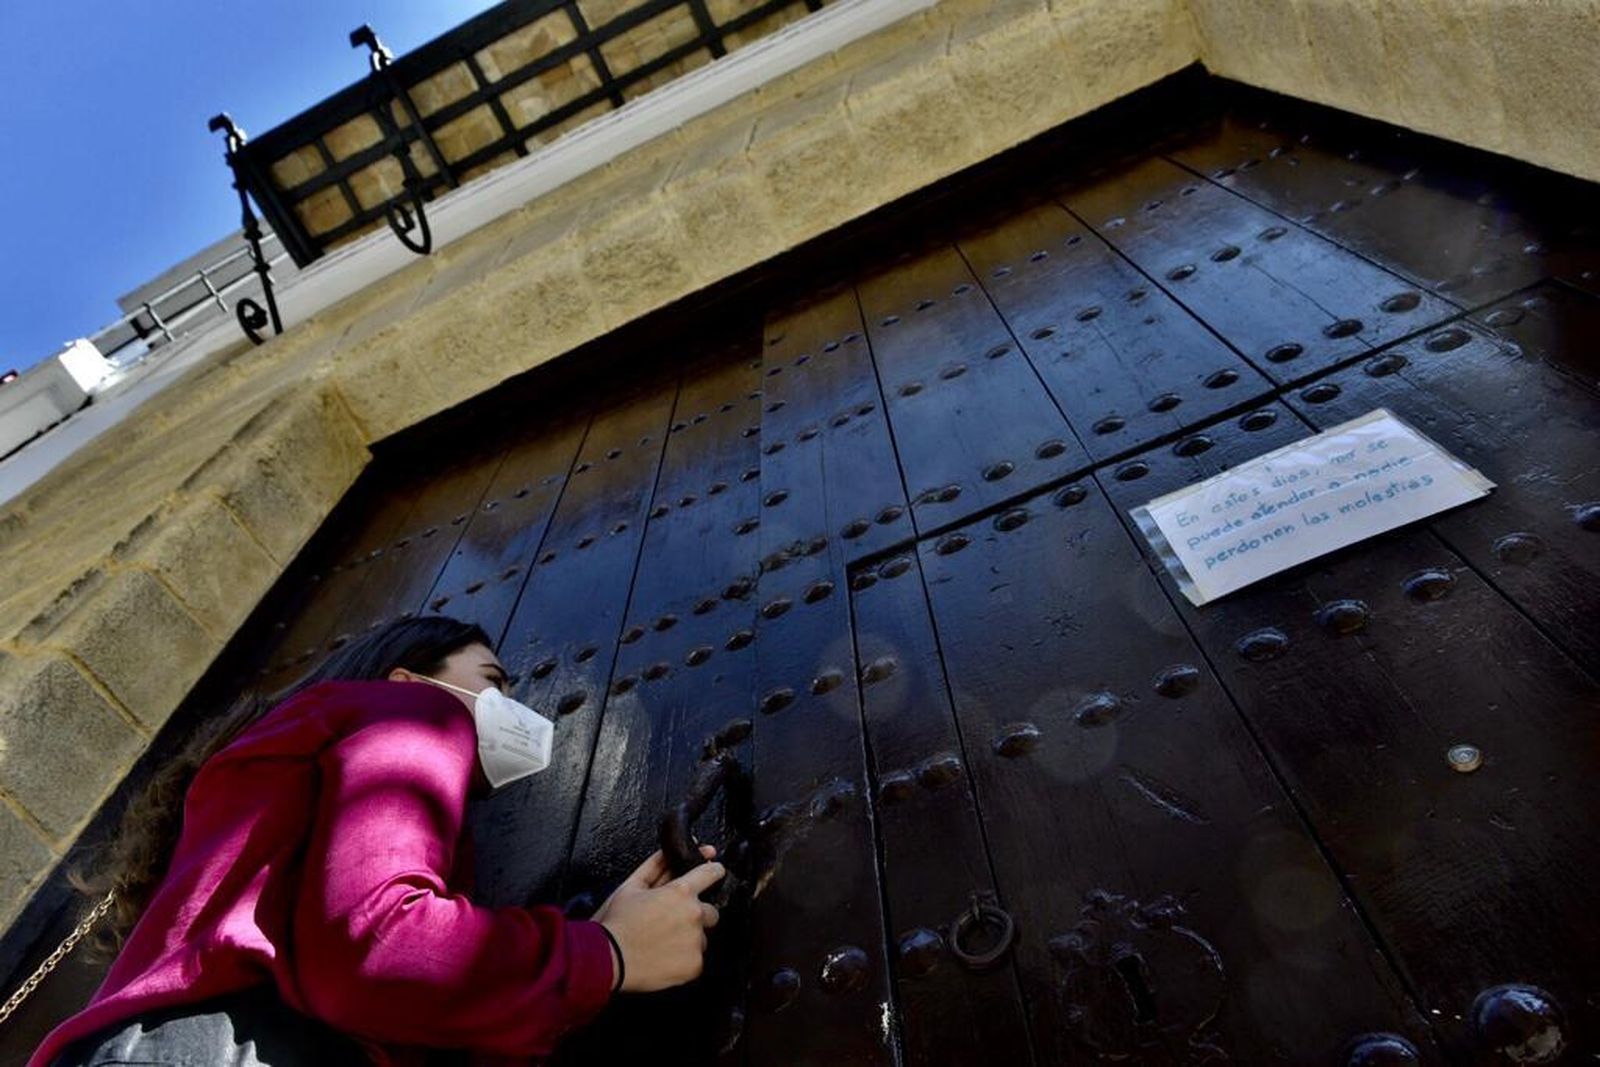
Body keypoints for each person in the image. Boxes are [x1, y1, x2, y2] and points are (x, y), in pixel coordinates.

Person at [27, 615, 725, 1066]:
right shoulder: (414, 709)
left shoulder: (275, 783)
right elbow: (378, 945)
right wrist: (603, 955)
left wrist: (598, 940)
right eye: (492, 682)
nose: (515, 710)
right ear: (406, 676)